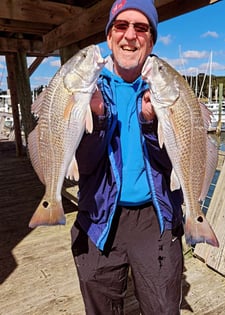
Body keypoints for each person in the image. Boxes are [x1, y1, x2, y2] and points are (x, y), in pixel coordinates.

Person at [71, 0, 184, 314]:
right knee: (100, 305)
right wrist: (99, 119)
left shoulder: (169, 85)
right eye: (121, 26)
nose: (130, 35)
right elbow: (85, 165)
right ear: (109, 37)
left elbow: (172, 162)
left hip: (155, 216)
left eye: (141, 28)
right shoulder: (87, 85)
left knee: (163, 306)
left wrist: (151, 123)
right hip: (98, 214)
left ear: (151, 39)